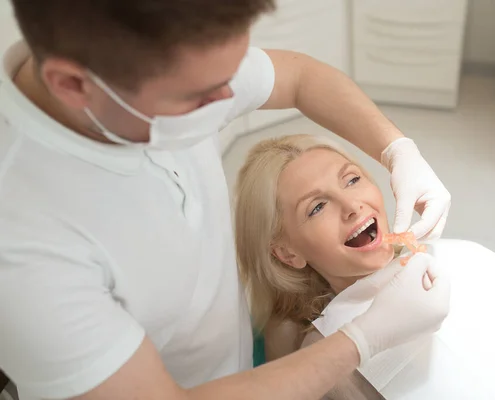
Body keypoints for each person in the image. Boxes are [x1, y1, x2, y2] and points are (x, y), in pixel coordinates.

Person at [0, 1, 453, 400]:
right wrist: (361, 340)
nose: (227, 99)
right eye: (197, 96)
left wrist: (397, 149)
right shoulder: (23, 246)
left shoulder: (152, 65)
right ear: (74, 85)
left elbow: (297, 77)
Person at [235, 134, 495, 400]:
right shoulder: (327, 351)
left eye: (351, 179)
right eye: (316, 207)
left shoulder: (461, 256)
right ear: (287, 254)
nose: (352, 205)